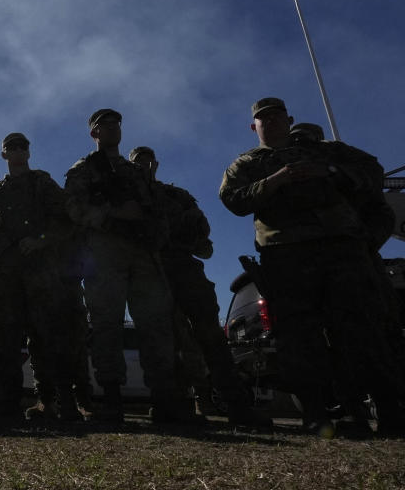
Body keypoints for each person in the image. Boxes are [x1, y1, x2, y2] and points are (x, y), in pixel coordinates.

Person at [220, 97, 402, 436]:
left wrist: (331, 172)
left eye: (276, 117)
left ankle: (382, 411)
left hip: (341, 251)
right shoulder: (246, 163)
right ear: (253, 127)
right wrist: (275, 180)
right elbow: (233, 200)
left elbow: (372, 174)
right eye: (263, 119)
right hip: (286, 255)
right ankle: (317, 413)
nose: (270, 123)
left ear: (289, 119)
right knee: (299, 338)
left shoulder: (328, 151)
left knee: (361, 330)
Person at [129, 146, 271, 429]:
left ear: (156, 164)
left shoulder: (175, 195)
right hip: (149, 271)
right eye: (137, 163)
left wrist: (176, 235)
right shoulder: (128, 196)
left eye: (147, 161)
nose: (144, 166)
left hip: (183, 268)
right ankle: (169, 405)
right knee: (160, 340)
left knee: (211, 338)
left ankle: (236, 405)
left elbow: (200, 229)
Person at [64, 109, 185, 423]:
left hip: (142, 252)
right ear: (94, 133)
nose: (113, 129)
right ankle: (112, 399)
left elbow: (155, 210)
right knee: (107, 324)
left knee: (155, 324)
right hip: (105, 252)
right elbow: (74, 209)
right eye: (105, 125)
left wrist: (153, 236)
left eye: (117, 124)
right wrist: (114, 214)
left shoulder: (135, 172)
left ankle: (163, 399)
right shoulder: (85, 169)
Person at [0, 132, 81, 421]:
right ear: (4, 155)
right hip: (8, 271)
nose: (17, 150)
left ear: (29, 152)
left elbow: (64, 220)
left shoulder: (42, 184)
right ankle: (6, 403)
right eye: (11, 147)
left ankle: (56, 402)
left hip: (40, 268)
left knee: (48, 336)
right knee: (6, 337)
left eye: (22, 146)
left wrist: (40, 240)